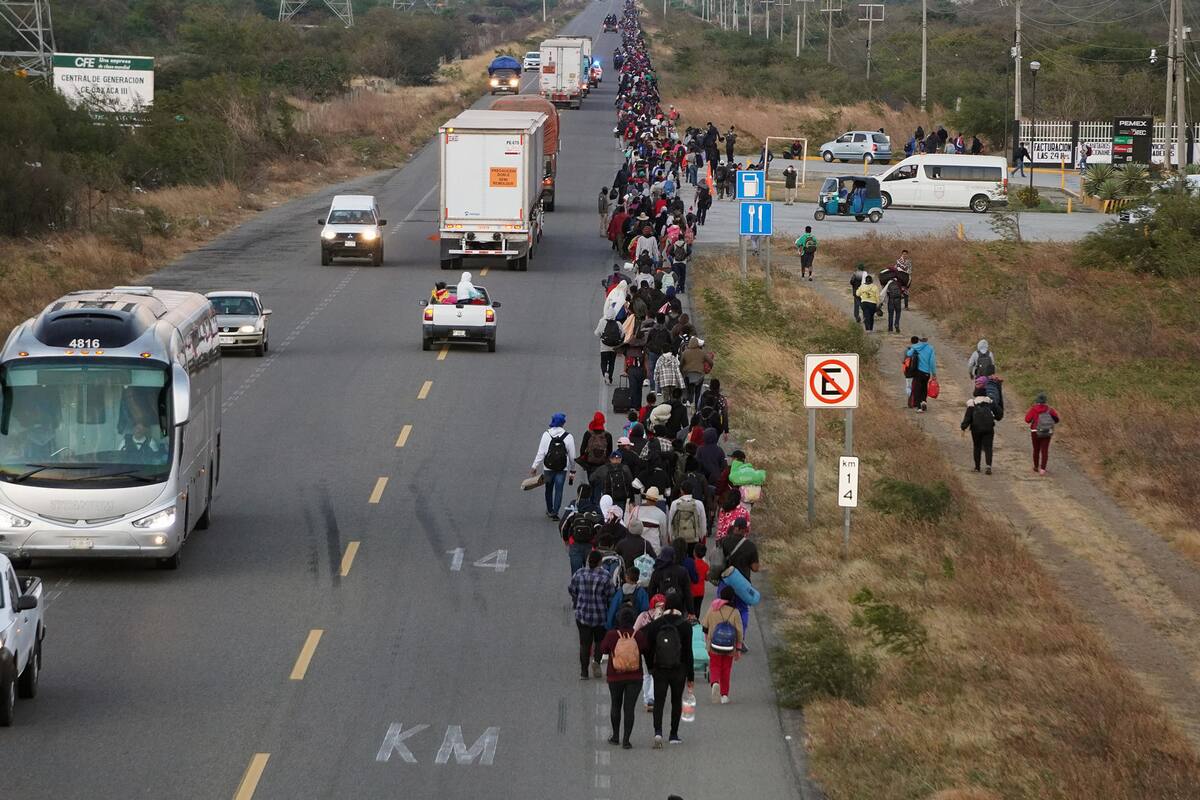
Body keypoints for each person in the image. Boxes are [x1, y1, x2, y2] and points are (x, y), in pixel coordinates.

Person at [641, 589, 695, 747]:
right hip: (679, 669)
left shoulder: (656, 624)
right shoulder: (685, 626)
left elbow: (647, 648)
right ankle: (673, 734)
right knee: (676, 701)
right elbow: (688, 653)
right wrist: (690, 677)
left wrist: (651, 667)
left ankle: (658, 732)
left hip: (660, 669)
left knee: (659, 701)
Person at [599, 605, 649, 749]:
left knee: (616, 705)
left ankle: (615, 736)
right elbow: (646, 649)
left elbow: (603, 649)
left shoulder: (611, 635)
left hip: (615, 676)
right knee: (629, 708)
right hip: (635, 677)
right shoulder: (638, 635)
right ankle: (626, 740)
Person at [570, 550, 617, 679]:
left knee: (585, 644)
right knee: (599, 641)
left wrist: (579, 600)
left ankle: (584, 672)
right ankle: (596, 661)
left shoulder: (579, 574)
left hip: (582, 615)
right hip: (600, 616)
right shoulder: (605, 575)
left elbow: (572, 590)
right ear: (599, 562)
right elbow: (610, 595)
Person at [717, 519, 760, 647]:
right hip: (742, 585)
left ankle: (721, 635)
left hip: (725, 581)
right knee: (742, 611)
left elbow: (716, 560)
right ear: (745, 530)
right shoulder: (750, 546)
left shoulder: (724, 541)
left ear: (734, 527)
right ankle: (739, 641)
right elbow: (755, 568)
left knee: (721, 608)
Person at [530, 413, 577, 520]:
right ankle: (555, 512)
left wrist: (534, 466)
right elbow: (572, 456)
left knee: (549, 489)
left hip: (548, 468)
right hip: (562, 468)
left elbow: (541, 452)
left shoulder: (546, 434)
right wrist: (573, 470)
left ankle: (549, 509)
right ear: (563, 423)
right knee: (559, 490)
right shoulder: (568, 436)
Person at [702, 585, 743, 704]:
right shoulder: (735, 612)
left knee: (714, 666)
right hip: (729, 647)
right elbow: (739, 632)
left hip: (714, 645)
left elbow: (705, 626)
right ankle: (724, 695)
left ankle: (715, 682)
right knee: (726, 669)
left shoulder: (713, 608)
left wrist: (707, 641)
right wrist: (739, 648)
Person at [634, 594, 667, 712]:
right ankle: (652, 699)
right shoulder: (665, 617)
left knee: (646, 675)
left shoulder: (643, 615)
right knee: (655, 674)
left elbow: (635, 631)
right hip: (659, 649)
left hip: (644, 649)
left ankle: (646, 699)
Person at [961, 382, 997, 474]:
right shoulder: (990, 402)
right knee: (988, 447)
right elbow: (999, 414)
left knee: (977, 447)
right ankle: (988, 466)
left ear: (975, 393)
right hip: (989, 428)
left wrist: (963, 427)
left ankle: (977, 467)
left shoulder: (972, 403)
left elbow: (968, 417)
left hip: (976, 429)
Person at [1024, 393, 1061, 475]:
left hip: (1035, 431)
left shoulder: (1033, 409)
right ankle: (1043, 469)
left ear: (1037, 401)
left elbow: (1027, 420)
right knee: (1045, 450)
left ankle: (1036, 467)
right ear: (1045, 401)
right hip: (1047, 431)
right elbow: (1057, 420)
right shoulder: (1050, 410)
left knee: (1036, 450)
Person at [906, 335, 937, 411]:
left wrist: (912, 348)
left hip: (918, 371)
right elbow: (932, 362)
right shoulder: (931, 348)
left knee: (917, 388)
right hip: (926, 373)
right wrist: (934, 373)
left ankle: (919, 406)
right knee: (924, 387)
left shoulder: (916, 347)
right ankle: (924, 401)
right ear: (927, 340)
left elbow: (908, 354)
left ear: (920, 340)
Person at [579, 411, 614, 477]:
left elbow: (582, 449)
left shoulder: (588, 434)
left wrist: (584, 462)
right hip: (602, 464)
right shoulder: (607, 435)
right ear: (603, 421)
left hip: (590, 463)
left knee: (591, 480)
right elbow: (610, 451)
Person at [679, 337, 709, 407]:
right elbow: (710, 362)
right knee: (698, 392)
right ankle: (697, 407)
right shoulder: (702, 353)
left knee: (689, 388)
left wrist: (682, 372)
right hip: (700, 375)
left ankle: (689, 400)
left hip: (688, 374)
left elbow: (681, 364)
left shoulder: (685, 352)